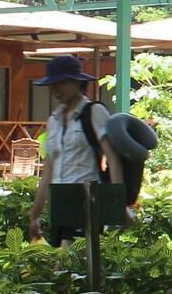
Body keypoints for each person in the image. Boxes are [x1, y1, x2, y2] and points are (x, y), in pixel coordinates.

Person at [28, 55, 124, 245]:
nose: (56, 89)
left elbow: (112, 157)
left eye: (62, 83)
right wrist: (35, 215)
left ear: (77, 83)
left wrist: (117, 204)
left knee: (69, 260)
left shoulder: (93, 111)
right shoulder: (53, 121)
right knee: (65, 267)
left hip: (86, 197)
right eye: (52, 84)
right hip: (60, 201)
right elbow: (48, 171)